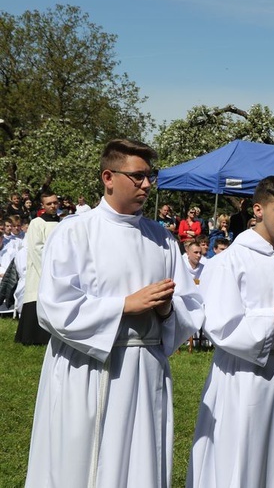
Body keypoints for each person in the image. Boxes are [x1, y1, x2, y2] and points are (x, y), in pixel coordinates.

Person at [24, 139, 204, 487]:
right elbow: (53, 307)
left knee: (141, 464)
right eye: (137, 176)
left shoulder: (162, 239)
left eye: (149, 177)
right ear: (108, 177)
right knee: (80, 465)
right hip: (88, 368)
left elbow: (190, 307)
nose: (147, 185)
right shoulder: (75, 232)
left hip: (146, 369)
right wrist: (123, 306)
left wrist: (167, 310)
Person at [188, 176, 274, 488]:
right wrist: (272, 316)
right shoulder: (230, 261)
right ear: (258, 209)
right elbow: (220, 325)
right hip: (241, 375)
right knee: (240, 453)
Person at [13, 191, 60, 345]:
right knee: (37, 299)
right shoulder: (37, 223)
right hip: (41, 268)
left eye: (55, 202)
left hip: (59, 267)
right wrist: (47, 271)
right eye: (49, 203)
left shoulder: (62, 222)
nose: (53, 206)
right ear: (42, 205)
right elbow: (36, 248)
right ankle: (32, 337)